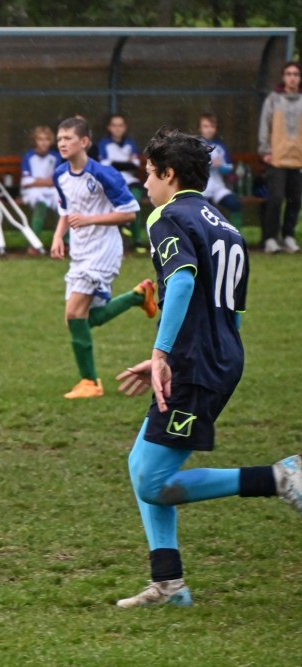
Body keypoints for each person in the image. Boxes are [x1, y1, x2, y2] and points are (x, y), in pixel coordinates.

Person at [114, 127, 302, 609]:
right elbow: (231, 311)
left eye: (149, 174)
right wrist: (179, 353)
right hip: (218, 356)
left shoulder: (167, 216)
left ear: (169, 174)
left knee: (152, 481)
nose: (145, 184)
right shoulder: (226, 226)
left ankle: (280, 477)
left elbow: (180, 282)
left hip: (195, 363)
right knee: (141, 466)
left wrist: (164, 353)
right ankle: (168, 584)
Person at [50, 116, 155, 400]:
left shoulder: (103, 174)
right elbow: (65, 210)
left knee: (75, 314)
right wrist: (58, 236)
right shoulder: (59, 175)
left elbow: (129, 213)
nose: (62, 143)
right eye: (59, 139)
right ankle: (138, 296)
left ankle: (90, 383)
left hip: (103, 250)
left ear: (84, 142)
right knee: (79, 319)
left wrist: (90, 219)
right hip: (80, 252)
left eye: (68, 138)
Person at [258, 61, 302, 254]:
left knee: (295, 200)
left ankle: (289, 236)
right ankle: (270, 238)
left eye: (295, 74)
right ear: (284, 77)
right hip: (276, 159)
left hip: (298, 160)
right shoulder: (273, 99)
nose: (292, 77)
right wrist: (265, 151)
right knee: (276, 199)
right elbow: (264, 125)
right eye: (289, 74)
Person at [97, 114, 147, 250]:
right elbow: (105, 164)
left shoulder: (130, 143)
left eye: (120, 125)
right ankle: (119, 233)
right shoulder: (104, 143)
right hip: (112, 182)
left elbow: (136, 164)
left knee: (134, 201)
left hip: (131, 181)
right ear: (109, 127)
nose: (117, 128)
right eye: (114, 125)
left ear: (125, 127)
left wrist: (116, 163)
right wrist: (126, 163)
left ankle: (136, 240)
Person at [198, 112, 243, 230]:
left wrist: (220, 166)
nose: (209, 130)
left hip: (218, 187)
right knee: (205, 211)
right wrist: (210, 164)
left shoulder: (220, 146)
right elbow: (192, 167)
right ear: (200, 128)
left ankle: (236, 236)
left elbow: (228, 168)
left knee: (235, 204)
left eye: (212, 126)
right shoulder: (195, 146)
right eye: (205, 126)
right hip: (201, 188)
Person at [20, 125, 62, 237]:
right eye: (40, 139)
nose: (43, 143)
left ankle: (65, 240)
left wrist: (37, 180)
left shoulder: (55, 157)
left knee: (63, 203)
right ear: (35, 140)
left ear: (51, 141)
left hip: (51, 190)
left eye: (46, 139)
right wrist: (46, 181)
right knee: (40, 203)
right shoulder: (28, 156)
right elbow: (26, 182)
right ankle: (35, 240)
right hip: (33, 191)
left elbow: (56, 180)